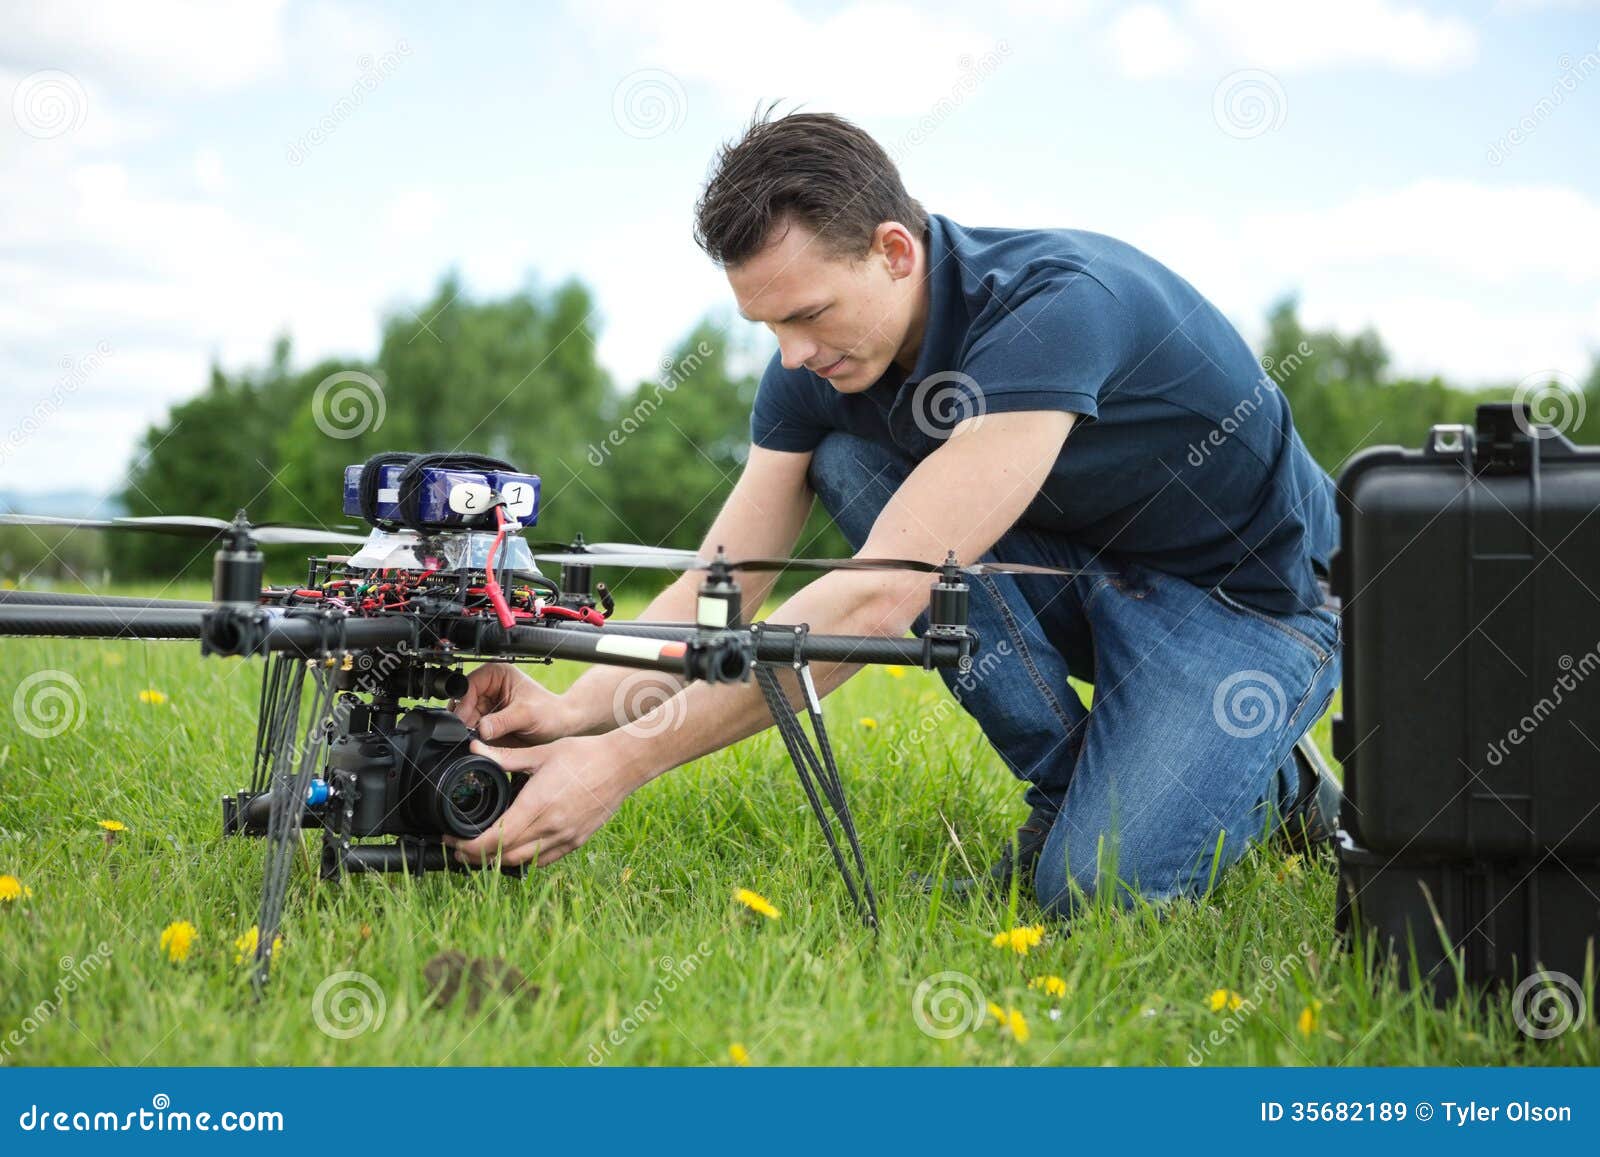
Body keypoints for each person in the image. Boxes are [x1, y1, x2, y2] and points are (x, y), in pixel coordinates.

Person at [447, 109, 1343, 914]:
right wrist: (574, 711)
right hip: (1081, 567)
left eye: (807, 314)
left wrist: (621, 764)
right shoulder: (820, 365)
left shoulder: (1059, 307)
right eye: (766, 328)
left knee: (1094, 892)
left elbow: (878, 601)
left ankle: (1272, 785)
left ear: (895, 251)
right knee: (850, 462)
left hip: (1248, 608)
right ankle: (1081, 787)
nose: (791, 355)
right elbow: (717, 587)